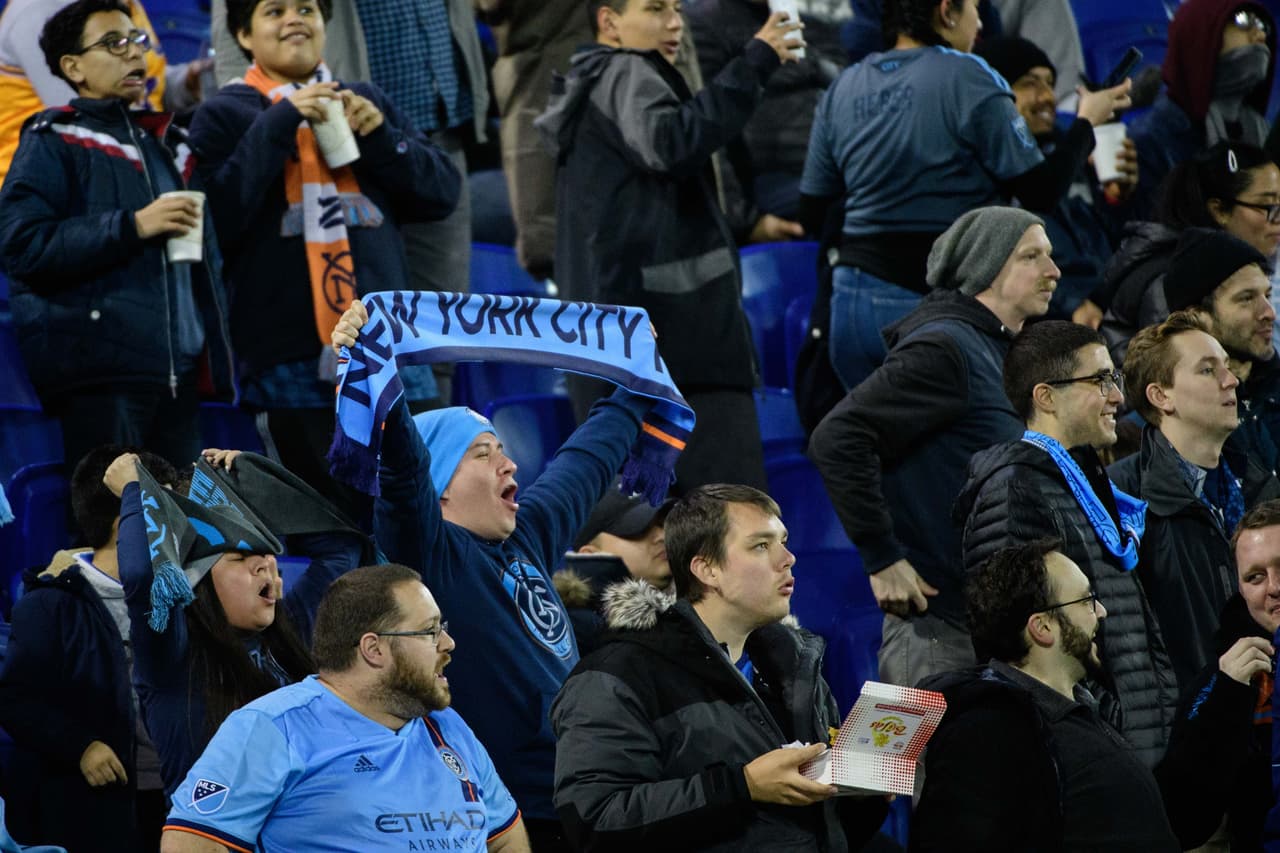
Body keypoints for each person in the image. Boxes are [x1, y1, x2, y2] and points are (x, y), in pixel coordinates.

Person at [331, 298, 661, 850]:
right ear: (438, 484)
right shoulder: (426, 556)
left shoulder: (526, 536)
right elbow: (402, 466)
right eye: (482, 454)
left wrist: (637, 376)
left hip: (590, 797)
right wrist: (376, 360)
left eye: (504, 450)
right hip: (509, 817)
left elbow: (587, 458)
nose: (509, 465)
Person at [187, 0, 461, 517]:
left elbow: (441, 193)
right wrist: (281, 121)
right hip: (288, 359)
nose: (296, 18)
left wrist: (381, 135)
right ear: (243, 35)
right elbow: (218, 219)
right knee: (331, 525)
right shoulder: (223, 113)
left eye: (307, 8)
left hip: (390, 350)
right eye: (275, 10)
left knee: (424, 509)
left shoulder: (364, 100)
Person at [536, 0, 802, 493]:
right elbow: (673, 141)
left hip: (634, 352)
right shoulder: (624, 70)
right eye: (655, 9)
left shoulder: (593, 82)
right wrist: (755, 60)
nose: (674, 22)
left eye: (678, 9)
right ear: (609, 22)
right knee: (727, 524)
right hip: (681, 350)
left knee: (660, 536)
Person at [797, 0, 1130, 390]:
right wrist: (1086, 121)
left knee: (877, 446)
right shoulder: (970, 75)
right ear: (946, 11)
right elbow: (1039, 192)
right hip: (933, 311)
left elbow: (813, 212)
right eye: (973, 7)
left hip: (852, 306)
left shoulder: (843, 86)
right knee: (969, 448)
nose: (979, 24)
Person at [550, 484, 886, 851]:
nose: (788, 558)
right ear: (707, 569)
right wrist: (742, 788)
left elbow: (813, 833)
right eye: (761, 545)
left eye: (783, 541)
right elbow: (596, 821)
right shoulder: (617, 676)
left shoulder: (797, 663)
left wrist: (861, 798)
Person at [808, 206, 1057, 688]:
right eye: (1032, 256)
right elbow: (837, 437)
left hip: (988, 627)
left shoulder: (998, 349)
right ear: (985, 268)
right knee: (915, 768)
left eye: (1050, 255)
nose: (1053, 271)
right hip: (937, 635)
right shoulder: (944, 347)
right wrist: (882, 557)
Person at [0, 0, 235, 471]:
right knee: (108, 532)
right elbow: (23, 246)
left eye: (138, 42)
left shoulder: (172, 146)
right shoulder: (51, 138)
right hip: (101, 377)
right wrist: (133, 226)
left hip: (178, 375)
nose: (134, 55)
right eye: (113, 43)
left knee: (182, 538)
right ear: (73, 67)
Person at [160, 563, 531, 852]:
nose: (448, 643)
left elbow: (504, 837)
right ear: (374, 649)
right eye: (430, 631)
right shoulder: (271, 728)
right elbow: (192, 843)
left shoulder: (449, 727)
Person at [955, 320, 1178, 765]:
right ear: (1046, 397)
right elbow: (1018, 648)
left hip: (1136, 749)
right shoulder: (1014, 489)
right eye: (1100, 380)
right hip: (1091, 757)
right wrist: (1103, 727)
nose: (1117, 396)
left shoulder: (1082, 479)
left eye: (1114, 379)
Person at [110, 447, 372, 795]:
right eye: (240, 557)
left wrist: (255, 481)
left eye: (267, 551)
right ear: (196, 580)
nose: (265, 563)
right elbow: (145, 576)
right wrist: (137, 493)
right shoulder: (172, 657)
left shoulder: (289, 627)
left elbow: (341, 547)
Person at [911, 539, 1179, 850]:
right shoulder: (990, 733)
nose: (1102, 612)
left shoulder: (1073, 711)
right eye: (1086, 600)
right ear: (1042, 627)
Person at [0, 446, 177, 853]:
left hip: (175, 793)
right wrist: (80, 745)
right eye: (163, 510)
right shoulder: (51, 602)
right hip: (97, 808)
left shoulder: (180, 595)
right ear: (124, 525)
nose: (177, 525)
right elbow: (15, 698)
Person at [1109, 311, 1276, 695]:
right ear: (1160, 396)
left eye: (1227, 367)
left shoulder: (1262, 486)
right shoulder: (1122, 496)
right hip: (1188, 723)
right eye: (1207, 370)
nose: (1230, 379)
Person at [974, 34, 1138, 325]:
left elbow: (1108, 244)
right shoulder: (987, 168)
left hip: (1106, 304)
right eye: (1030, 83)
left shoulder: (1071, 153)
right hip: (1046, 319)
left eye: (1049, 83)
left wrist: (1117, 199)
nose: (1047, 96)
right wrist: (1071, 302)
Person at [1153, 500, 1280, 850]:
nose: (1274, 587)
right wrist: (1226, 699)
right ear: (1239, 589)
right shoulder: (1222, 680)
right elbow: (1182, 820)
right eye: (1255, 576)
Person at [1099, 141, 1280, 366]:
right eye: (1267, 206)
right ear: (1219, 210)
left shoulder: (1247, 266)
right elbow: (1171, 384)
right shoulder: (1169, 281)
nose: (1277, 218)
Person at [0, 0, 204, 187]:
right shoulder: (38, 11)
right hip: (40, 189)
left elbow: (148, 89)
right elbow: (85, 119)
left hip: (122, 160)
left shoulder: (121, 5)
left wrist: (188, 84)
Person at [685, 0, 847, 222]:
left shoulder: (815, 26)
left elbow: (852, 94)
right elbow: (707, 127)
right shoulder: (705, 25)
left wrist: (815, 64)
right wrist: (745, 221)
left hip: (837, 167)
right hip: (768, 180)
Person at [1160, 228, 1280, 508]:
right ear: (1195, 316)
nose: (1268, 312)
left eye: (1267, 294)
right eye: (1246, 298)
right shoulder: (1170, 420)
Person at [1129, 0, 1276, 221]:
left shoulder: (1261, 130)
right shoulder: (1152, 138)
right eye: (1244, 21)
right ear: (1201, 35)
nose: (1260, 36)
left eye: (1263, 27)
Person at [554, 488, 673, 654]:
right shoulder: (574, 627)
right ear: (589, 553)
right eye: (638, 529)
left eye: (662, 525)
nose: (662, 536)